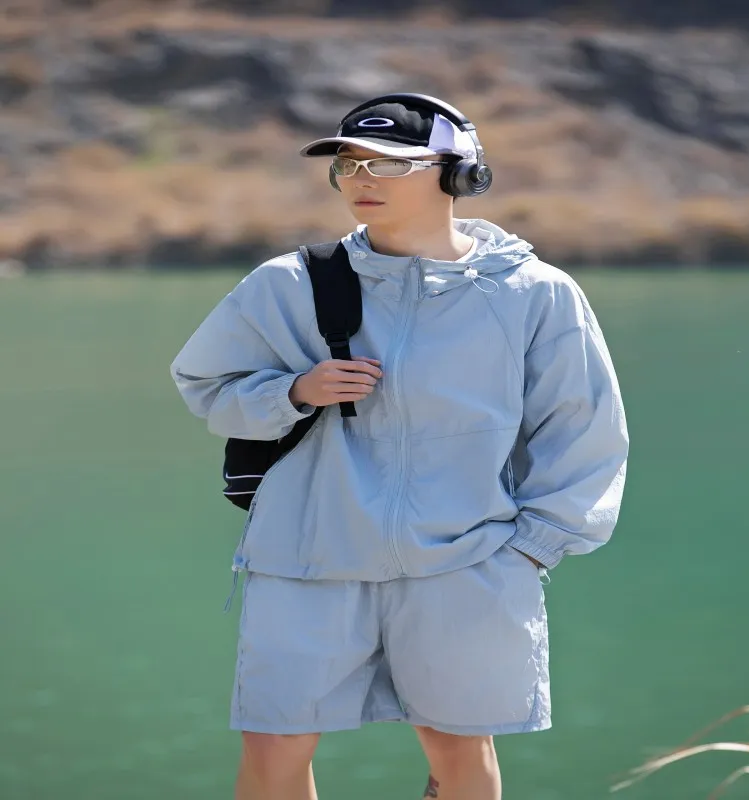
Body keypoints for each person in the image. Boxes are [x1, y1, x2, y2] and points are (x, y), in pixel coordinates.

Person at [170, 93, 629, 800]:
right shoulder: (288, 284)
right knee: (274, 742)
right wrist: (293, 392)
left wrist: (530, 549)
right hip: (305, 558)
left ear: (458, 174)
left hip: (466, 562)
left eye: (387, 164)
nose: (361, 179)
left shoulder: (535, 294)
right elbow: (205, 383)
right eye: (348, 164)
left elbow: (583, 431)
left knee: (457, 745)